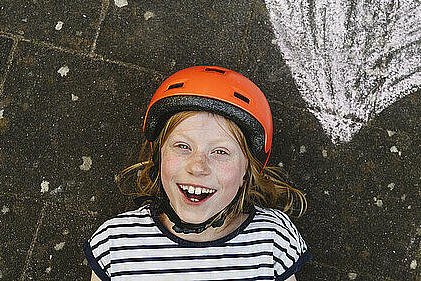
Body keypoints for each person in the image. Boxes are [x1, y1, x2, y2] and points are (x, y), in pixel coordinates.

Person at [83, 66, 311, 280]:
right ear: (159, 157)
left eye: (220, 152)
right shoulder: (115, 243)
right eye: (183, 146)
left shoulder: (273, 240)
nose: (198, 167)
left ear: (246, 172)